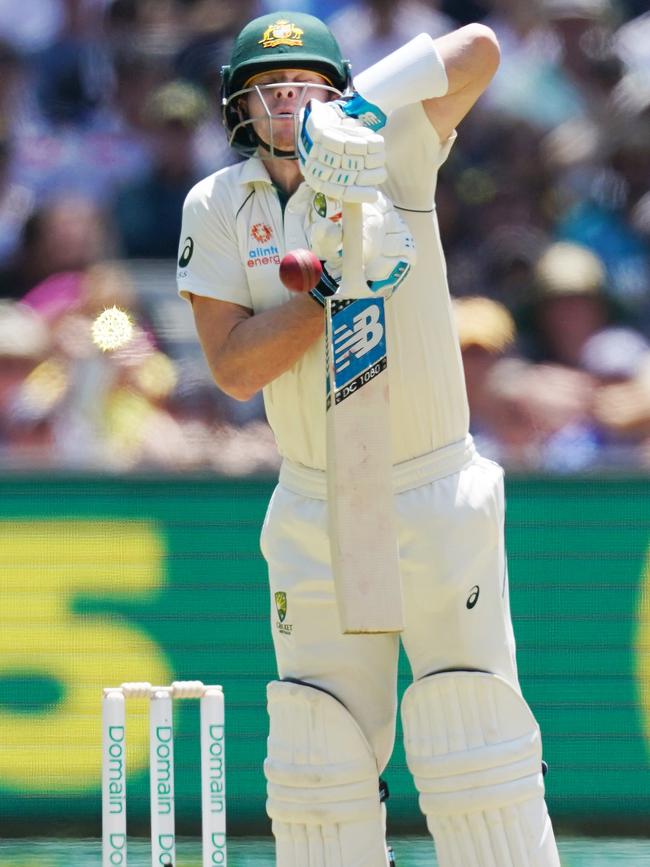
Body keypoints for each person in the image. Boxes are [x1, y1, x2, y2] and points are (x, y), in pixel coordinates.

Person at [176, 10, 561, 865]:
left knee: (477, 744)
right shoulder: (216, 203)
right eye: (270, 93)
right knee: (319, 765)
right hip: (315, 499)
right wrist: (326, 296)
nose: (289, 107)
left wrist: (361, 114)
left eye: (307, 89)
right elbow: (235, 369)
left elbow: (482, 50)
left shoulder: (393, 146)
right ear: (241, 107)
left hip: (432, 484)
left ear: (337, 89)